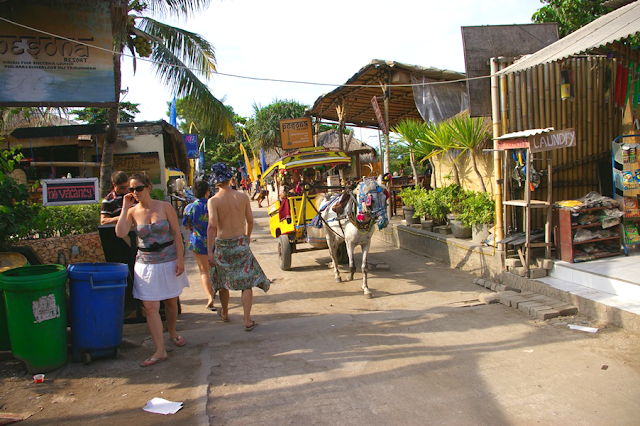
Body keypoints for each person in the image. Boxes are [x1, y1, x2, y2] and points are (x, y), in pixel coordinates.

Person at [116, 172, 189, 367]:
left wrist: (180, 259)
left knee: (170, 302)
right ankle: (160, 349)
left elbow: (176, 232)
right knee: (150, 307)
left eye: (138, 188)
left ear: (148, 187)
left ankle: (172, 331)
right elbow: (120, 232)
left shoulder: (164, 207)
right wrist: (125, 207)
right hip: (145, 262)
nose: (135, 192)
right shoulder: (132, 211)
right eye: (131, 189)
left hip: (168, 259)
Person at [207, 162, 270, 331]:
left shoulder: (213, 201)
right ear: (230, 178)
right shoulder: (242, 197)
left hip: (222, 245)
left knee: (222, 282)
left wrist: (209, 251)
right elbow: (250, 221)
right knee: (246, 282)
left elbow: (212, 226)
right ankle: (247, 319)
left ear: (215, 181)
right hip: (240, 243)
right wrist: (247, 238)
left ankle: (226, 313)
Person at [182, 180, 216, 311]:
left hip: (198, 241)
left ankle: (209, 296)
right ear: (207, 191)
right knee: (215, 269)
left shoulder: (190, 207)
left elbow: (186, 225)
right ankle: (216, 291)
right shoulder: (213, 205)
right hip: (215, 240)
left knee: (204, 271)